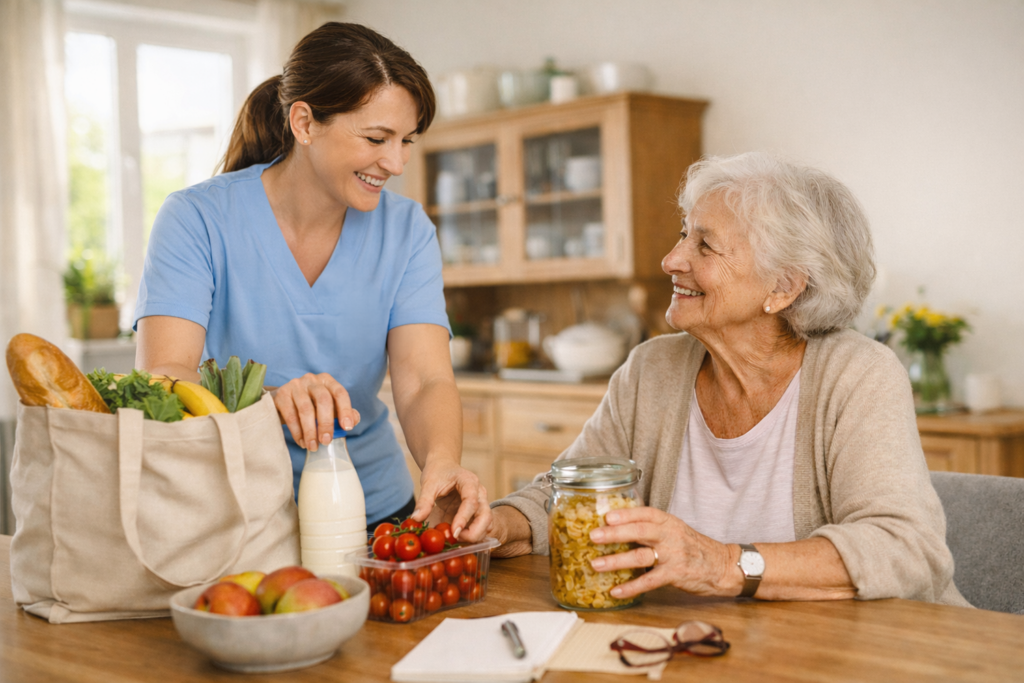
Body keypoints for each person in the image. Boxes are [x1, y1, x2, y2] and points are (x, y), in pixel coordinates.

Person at [488, 151, 969, 606]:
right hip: (706, 649)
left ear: (782, 287)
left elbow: (904, 549)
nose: (672, 259)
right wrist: (501, 523)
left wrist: (721, 564)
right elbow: (568, 489)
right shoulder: (651, 370)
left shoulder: (859, 374)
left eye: (705, 245)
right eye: (683, 235)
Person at [134, 22, 490, 541]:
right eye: (376, 138)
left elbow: (424, 381)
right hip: (235, 512)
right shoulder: (197, 218)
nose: (395, 162)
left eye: (407, 140)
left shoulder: (407, 230)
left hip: (374, 508)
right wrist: (264, 400)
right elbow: (163, 373)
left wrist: (441, 460)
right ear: (304, 122)